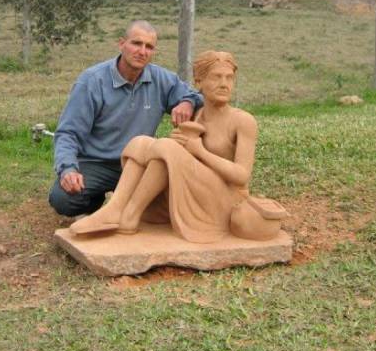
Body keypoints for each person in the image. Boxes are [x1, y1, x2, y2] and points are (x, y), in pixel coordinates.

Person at [70, 50, 258, 244]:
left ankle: (130, 214)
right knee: (141, 142)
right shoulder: (196, 115)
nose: (224, 84)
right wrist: (181, 145)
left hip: (226, 201)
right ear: (199, 82)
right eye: (216, 77)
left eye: (229, 78)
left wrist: (198, 151)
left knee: (167, 149)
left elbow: (242, 176)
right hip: (199, 191)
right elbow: (186, 159)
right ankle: (115, 208)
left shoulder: (242, 121)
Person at [49, 20, 203, 218]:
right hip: (96, 162)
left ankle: (126, 200)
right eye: (136, 43)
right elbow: (68, 132)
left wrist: (188, 102)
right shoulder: (92, 80)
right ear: (121, 44)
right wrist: (68, 169)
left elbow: (201, 97)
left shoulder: (162, 79)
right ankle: (94, 200)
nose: (142, 51)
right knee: (64, 199)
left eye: (149, 47)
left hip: (138, 162)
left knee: (175, 196)